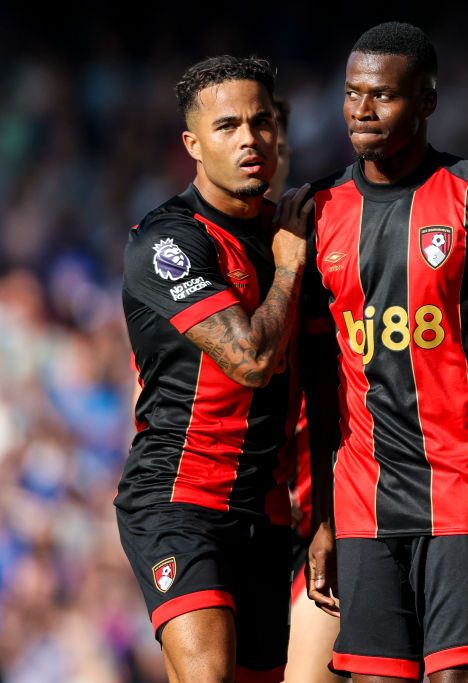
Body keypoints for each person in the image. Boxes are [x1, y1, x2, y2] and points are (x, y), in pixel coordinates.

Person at [301, 23, 468, 682]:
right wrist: (322, 518)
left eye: (383, 97)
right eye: (351, 94)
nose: (361, 112)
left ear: (426, 101)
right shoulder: (318, 210)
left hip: (465, 495)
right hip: (364, 504)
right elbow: (321, 380)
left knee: (462, 677)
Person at [116, 55, 313, 683]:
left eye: (260, 122)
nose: (250, 139)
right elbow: (252, 358)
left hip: (267, 510)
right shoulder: (167, 242)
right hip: (181, 494)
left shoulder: (292, 230)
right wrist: (286, 269)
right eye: (227, 126)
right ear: (193, 143)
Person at [267, 98, 349, 683]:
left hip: (333, 518)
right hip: (247, 523)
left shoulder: (325, 245)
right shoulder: (196, 251)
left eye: (269, 132)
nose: (254, 146)